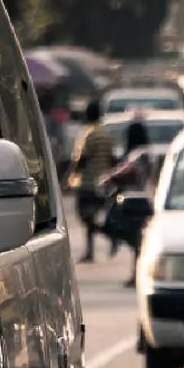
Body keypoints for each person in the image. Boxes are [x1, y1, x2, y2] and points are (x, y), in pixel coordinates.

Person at [102, 119, 156, 286]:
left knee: (134, 241)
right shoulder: (148, 154)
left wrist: (109, 178)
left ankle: (137, 275)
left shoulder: (137, 155)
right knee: (138, 243)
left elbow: (122, 174)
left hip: (132, 205)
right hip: (147, 203)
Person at [68, 99, 116, 262]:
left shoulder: (89, 133)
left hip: (87, 183)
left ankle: (97, 245)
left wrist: (70, 177)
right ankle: (100, 242)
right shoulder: (105, 133)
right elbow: (111, 158)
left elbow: (82, 159)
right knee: (93, 217)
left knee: (85, 217)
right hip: (102, 183)